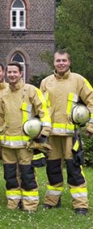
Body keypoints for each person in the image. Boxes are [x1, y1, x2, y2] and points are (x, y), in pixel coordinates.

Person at [40, 50, 93, 215]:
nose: (61, 63)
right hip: (51, 136)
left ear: (69, 62)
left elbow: (91, 100)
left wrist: (90, 125)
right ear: (54, 63)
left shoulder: (78, 80)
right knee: (52, 169)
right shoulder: (45, 82)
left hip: (71, 136)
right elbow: (39, 108)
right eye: (58, 61)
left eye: (63, 60)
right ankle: (52, 201)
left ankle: (81, 205)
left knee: (74, 169)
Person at [0, 62, 51, 212]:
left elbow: (43, 111)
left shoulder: (31, 91)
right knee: (10, 176)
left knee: (27, 175)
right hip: (8, 144)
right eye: (10, 72)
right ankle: (13, 204)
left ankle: (29, 205)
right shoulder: (4, 95)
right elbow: (0, 119)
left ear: (21, 73)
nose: (12, 75)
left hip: (26, 144)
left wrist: (44, 131)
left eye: (15, 72)